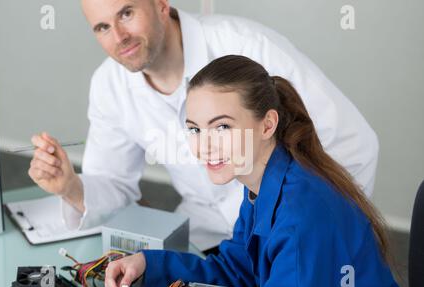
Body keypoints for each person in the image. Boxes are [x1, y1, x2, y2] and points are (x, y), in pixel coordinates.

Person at [28, 0, 379, 253]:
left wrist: (312, 236)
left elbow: (353, 143)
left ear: (161, 4)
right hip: (205, 236)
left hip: (289, 235)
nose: (119, 36)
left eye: (127, 13)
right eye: (102, 27)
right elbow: (115, 184)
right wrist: (71, 186)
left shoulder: (246, 46)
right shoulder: (109, 84)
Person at [103, 55, 401, 287]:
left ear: (267, 125)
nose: (204, 146)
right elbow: (237, 272)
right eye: (194, 129)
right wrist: (150, 266)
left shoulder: (299, 218)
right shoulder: (261, 185)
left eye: (222, 128)